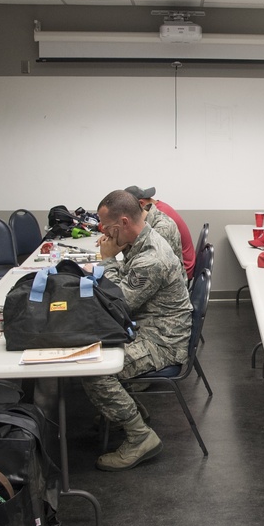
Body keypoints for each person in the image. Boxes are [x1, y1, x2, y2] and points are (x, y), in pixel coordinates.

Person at [83, 190, 193, 471]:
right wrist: (115, 257)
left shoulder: (151, 257)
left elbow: (120, 305)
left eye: (107, 228)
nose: (104, 234)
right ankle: (130, 409)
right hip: (146, 329)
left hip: (163, 342)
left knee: (95, 369)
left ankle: (139, 436)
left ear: (122, 222)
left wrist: (108, 260)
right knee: (91, 346)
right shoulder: (138, 243)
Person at [125, 185, 195, 280]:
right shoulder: (158, 207)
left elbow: (150, 255)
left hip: (183, 270)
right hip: (179, 263)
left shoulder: (161, 218)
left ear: (140, 204)